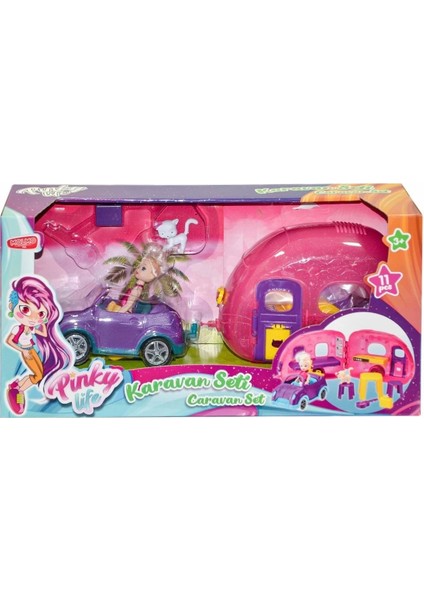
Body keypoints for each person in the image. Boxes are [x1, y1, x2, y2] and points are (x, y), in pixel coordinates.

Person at [6, 276, 73, 415]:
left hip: (31, 351)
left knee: (39, 374)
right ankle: (17, 390)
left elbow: (43, 333)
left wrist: (42, 323)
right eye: (25, 310)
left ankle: (16, 387)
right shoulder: (18, 329)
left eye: (40, 313)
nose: (32, 317)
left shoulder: (31, 327)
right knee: (37, 375)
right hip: (27, 352)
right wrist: (21, 349)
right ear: (13, 307)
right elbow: (9, 341)